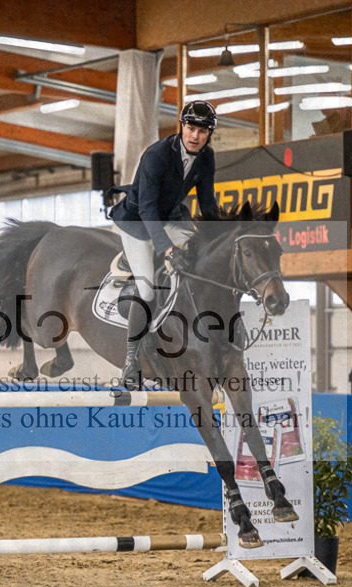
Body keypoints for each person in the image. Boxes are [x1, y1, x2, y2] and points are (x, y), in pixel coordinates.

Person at [109, 100, 221, 388]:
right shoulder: (157, 155)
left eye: (202, 131)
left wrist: (217, 238)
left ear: (209, 134)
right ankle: (131, 361)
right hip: (137, 222)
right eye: (191, 128)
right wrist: (167, 249)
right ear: (182, 126)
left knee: (202, 262)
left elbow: (207, 203)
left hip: (171, 219)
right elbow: (147, 209)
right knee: (146, 289)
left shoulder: (206, 157)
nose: (195, 135)